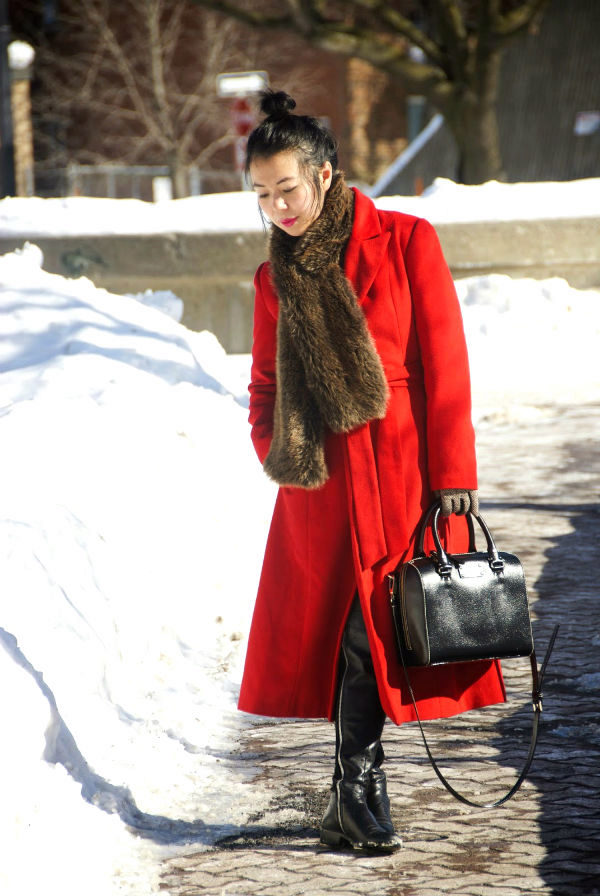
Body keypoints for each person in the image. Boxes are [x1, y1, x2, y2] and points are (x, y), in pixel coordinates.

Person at [237, 90, 506, 852]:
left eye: (287, 188)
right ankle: (354, 791)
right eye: (262, 195)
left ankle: (354, 789)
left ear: (325, 174)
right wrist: (280, 448)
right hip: (322, 491)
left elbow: (444, 363)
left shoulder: (408, 241)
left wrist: (454, 473)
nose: (278, 208)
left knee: (375, 631)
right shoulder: (272, 280)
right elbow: (263, 387)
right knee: (344, 638)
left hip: (402, 478)